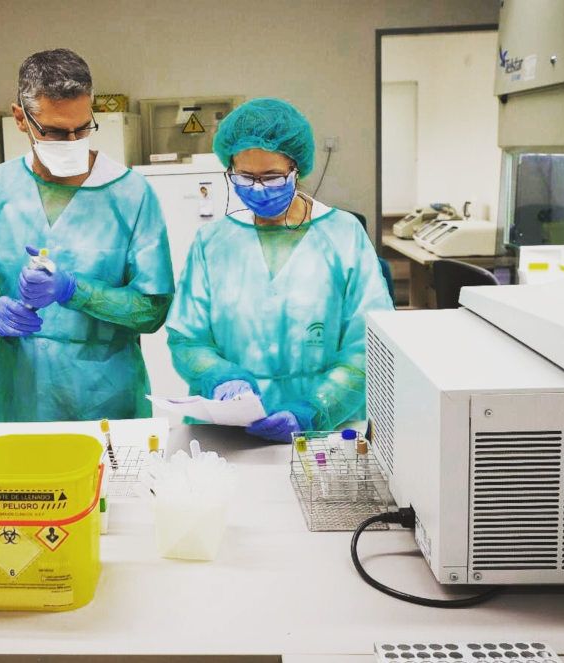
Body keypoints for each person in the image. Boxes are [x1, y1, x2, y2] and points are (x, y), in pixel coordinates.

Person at [0, 49, 173, 422]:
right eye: (53, 131)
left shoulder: (130, 194)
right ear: (21, 118)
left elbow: (152, 309)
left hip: (106, 395)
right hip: (21, 391)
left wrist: (73, 291)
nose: (71, 141)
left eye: (81, 129)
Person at [166, 98, 394, 442]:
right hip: (228, 434)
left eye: (272, 177)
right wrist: (221, 377)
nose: (257, 188)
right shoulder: (213, 242)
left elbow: (368, 345)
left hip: (324, 433)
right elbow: (187, 338)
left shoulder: (343, 235)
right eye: (245, 177)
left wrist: (313, 409)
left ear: (296, 169)